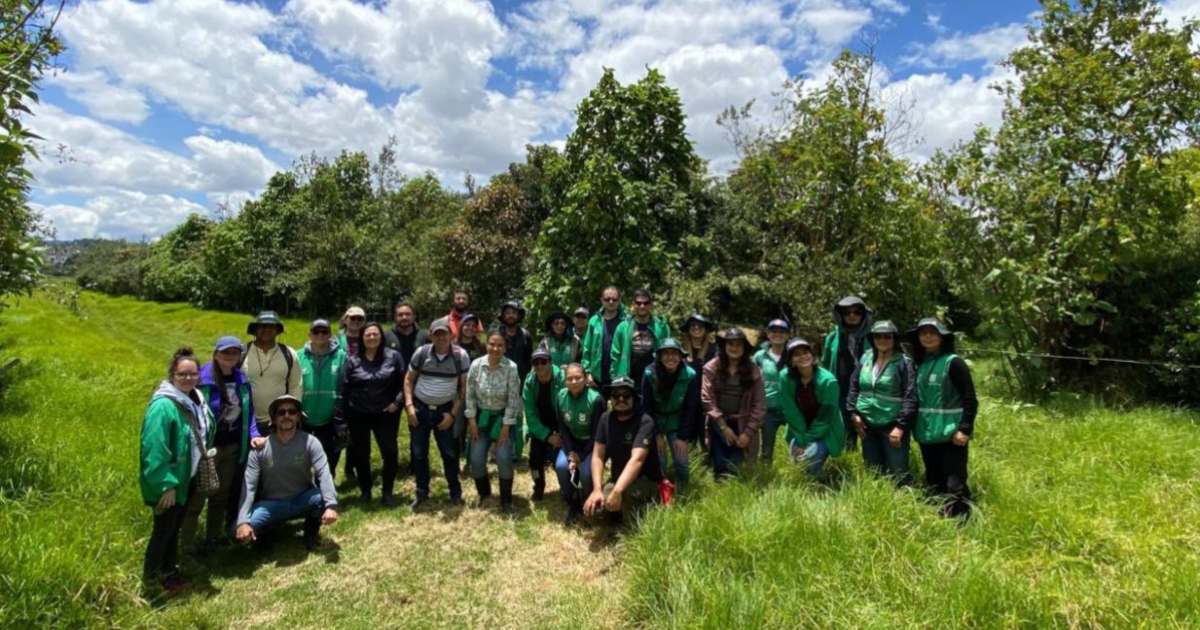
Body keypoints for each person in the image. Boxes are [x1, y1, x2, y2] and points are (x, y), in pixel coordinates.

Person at [140, 347, 213, 596]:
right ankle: (150, 581)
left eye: (193, 374)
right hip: (171, 483)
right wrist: (166, 485)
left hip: (187, 477)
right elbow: (154, 449)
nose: (188, 378)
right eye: (182, 374)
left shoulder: (194, 399)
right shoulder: (163, 406)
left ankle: (169, 574)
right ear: (172, 375)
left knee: (173, 530)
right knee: (163, 532)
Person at [188, 337, 265, 556]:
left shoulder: (241, 379)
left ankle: (213, 539)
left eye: (234, 353)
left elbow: (248, 412)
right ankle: (188, 547)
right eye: (225, 352)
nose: (230, 357)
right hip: (207, 449)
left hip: (232, 447)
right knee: (197, 498)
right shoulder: (201, 379)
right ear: (215, 354)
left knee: (221, 495)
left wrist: (254, 434)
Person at [235, 395, 338, 551]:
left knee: (324, 497)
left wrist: (331, 505)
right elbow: (249, 486)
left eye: (291, 411)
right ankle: (267, 535)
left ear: (298, 417)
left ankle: (310, 534)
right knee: (237, 530)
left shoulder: (310, 442)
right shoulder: (260, 449)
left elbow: (324, 473)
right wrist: (243, 521)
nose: (287, 416)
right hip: (272, 504)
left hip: (303, 499)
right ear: (274, 419)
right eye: (281, 412)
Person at [907, 318, 979, 520]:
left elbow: (970, 398)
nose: (928, 337)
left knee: (954, 483)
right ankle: (942, 520)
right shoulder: (919, 364)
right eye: (924, 333)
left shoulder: (953, 362)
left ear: (942, 336)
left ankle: (962, 522)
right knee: (934, 478)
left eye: (933, 332)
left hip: (951, 434)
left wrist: (964, 429)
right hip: (926, 433)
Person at [334, 322, 406, 506]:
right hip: (358, 414)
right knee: (360, 455)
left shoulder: (394, 357)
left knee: (390, 453)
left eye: (375, 334)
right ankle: (365, 491)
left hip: (385, 415)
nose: (372, 337)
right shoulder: (353, 361)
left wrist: (397, 403)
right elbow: (343, 390)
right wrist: (341, 419)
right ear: (362, 338)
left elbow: (404, 384)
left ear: (381, 337)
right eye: (368, 335)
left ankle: (387, 492)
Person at [404, 317, 471, 509]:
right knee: (418, 453)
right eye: (437, 334)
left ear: (451, 335)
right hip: (420, 409)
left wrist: (453, 414)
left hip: (445, 411)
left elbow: (463, 388)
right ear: (431, 336)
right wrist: (409, 406)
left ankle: (455, 493)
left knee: (449, 454)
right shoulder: (422, 353)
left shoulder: (460, 356)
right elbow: (409, 380)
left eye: (444, 333)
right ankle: (422, 492)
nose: (441, 337)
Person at [584, 376, 663, 526]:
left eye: (626, 395)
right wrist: (597, 490)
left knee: (629, 494)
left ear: (634, 399)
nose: (620, 399)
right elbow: (597, 457)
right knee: (596, 511)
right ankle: (619, 514)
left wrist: (617, 491)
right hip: (618, 479)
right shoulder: (605, 419)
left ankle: (632, 531)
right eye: (615, 395)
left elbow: (637, 460)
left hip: (645, 480)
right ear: (610, 399)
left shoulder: (645, 422)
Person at [846, 321, 917, 485]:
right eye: (878, 336)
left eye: (887, 336)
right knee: (872, 470)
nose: (882, 340)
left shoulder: (904, 363)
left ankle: (907, 502)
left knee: (899, 471)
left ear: (894, 339)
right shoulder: (866, 358)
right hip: (866, 424)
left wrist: (900, 426)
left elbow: (910, 396)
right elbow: (853, 385)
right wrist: (853, 413)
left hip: (892, 425)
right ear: (872, 338)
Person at [465, 330, 523, 514]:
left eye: (500, 345)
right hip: (480, 420)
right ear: (486, 344)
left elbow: (514, 399)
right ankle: (485, 494)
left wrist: (506, 426)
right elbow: (470, 394)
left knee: (504, 458)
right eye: (492, 344)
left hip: (502, 419)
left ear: (505, 348)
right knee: (476, 459)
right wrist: (472, 421)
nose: (495, 348)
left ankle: (506, 500)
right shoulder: (476, 364)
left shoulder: (511, 368)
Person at [701, 328, 767, 479]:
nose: (734, 348)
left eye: (738, 344)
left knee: (737, 466)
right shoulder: (712, 367)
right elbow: (706, 399)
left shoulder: (754, 371)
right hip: (719, 423)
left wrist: (748, 432)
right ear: (724, 346)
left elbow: (760, 405)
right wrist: (723, 427)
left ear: (744, 348)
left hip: (743, 423)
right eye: (730, 344)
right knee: (719, 466)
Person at [778, 338, 844, 476]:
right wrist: (801, 440)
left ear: (812, 355)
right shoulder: (785, 377)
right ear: (791, 360)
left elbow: (825, 417)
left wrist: (806, 441)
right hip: (799, 428)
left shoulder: (828, 381)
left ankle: (820, 486)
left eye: (805, 352)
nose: (802, 356)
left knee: (810, 459)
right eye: (796, 354)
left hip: (825, 429)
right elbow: (790, 411)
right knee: (797, 461)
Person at [639, 338, 700, 487]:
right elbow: (646, 406)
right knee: (659, 460)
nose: (670, 357)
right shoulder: (649, 373)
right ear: (659, 356)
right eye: (666, 353)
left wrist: (682, 437)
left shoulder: (690, 374)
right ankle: (662, 490)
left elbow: (691, 408)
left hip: (677, 420)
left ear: (681, 356)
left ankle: (683, 492)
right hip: (656, 419)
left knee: (681, 461)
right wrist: (657, 433)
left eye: (675, 353)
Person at [556, 363, 607, 525]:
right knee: (561, 467)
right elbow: (563, 429)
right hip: (572, 443)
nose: (574, 381)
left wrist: (582, 456)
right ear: (565, 381)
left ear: (585, 378)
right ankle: (573, 503)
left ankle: (589, 504)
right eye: (569, 378)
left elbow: (597, 435)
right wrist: (571, 455)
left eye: (578, 377)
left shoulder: (596, 400)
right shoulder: (560, 397)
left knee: (586, 474)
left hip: (593, 445)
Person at [821, 296, 874, 451]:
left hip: (866, 394)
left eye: (856, 312)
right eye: (847, 312)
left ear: (863, 315)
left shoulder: (873, 336)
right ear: (840, 315)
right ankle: (848, 464)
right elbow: (825, 364)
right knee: (844, 433)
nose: (852, 315)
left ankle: (871, 466)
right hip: (840, 392)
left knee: (867, 432)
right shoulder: (833, 337)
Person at [297, 319, 347, 477]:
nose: (320, 335)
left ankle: (325, 496)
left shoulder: (341, 357)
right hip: (303, 418)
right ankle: (302, 494)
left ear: (330, 334)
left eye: (324, 331)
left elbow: (345, 388)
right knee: (300, 461)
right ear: (309, 334)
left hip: (329, 419)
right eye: (316, 331)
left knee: (327, 462)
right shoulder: (297, 356)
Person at [243, 311, 303, 436]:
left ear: (277, 330)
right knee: (248, 456)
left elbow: (296, 385)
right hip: (246, 421)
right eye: (263, 326)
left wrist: (291, 415)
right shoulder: (242, 353)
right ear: (255, 329)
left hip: (279, 421)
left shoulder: (289, 353)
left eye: (271, 326)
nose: (267, 329)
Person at [522, 347, 566, 501]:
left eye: (543, 361)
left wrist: (560, 434)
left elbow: (567, 409)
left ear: (550, 362)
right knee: (534, 460)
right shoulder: (529, 382)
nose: (540, 366)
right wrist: (547, 436)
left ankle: (565, 486)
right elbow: (530, 416)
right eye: (536, 362)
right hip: (540, 427)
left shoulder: (562, 379)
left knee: (559, 459)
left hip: (561, 425)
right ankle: (538, 486)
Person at [611, 289, 670, 386]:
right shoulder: (622, 327)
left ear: (651, 305)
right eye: (638, 303)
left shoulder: (662, 327)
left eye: (646, 303)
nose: (642, 306)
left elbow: (668, 354)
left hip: (654, 378)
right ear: (633, 305)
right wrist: (614, 378)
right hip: (627, 378)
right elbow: (615, 355)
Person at [753, 319, 790, 464]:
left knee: (799, 443)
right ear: (768, 334)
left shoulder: (793, 355)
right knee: (766, 449)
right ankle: (765, 477)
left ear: (788, 335)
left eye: (782, 332)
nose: (777, 335)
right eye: (773, 331)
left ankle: (798, 473)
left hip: (790, 409)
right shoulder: (759, 356)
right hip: (768, 410)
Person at [581, 286, 628, 396]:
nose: (611, 302)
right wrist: (587, 372)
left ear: (619, 300)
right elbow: (586, 349)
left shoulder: (627, 321)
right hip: (597, 378)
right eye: (607, 299)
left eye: (614, 299)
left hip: (620, 376)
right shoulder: (594, 321)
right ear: (602, 300)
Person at [384, 300, 429, 367]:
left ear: (414, 316)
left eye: (408, 314)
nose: (404, 317)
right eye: (400, 315)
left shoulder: (425, 336)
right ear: (395, 317)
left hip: (418, 376)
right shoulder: (386, 336)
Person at [499, 301, 534, 383]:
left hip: (521, 380)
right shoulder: (497, 335)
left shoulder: (525, 335)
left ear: (518, 316)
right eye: (508, 313)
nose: (510, 315)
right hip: (500, 379)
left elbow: (529, 359)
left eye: (513, 313)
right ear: (504, 316)